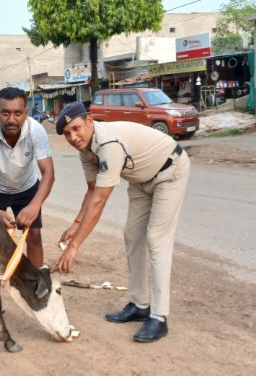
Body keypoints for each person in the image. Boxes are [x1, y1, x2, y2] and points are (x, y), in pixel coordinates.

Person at [53, 101, 190, 344]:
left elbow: (99, 202)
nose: (73, 137)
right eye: (67, 134)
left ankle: (159, 317)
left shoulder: (108, 144)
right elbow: (92, 190)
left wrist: (74, 246)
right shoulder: (86, 150)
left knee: (156, 240)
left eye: (76, 128)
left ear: (89, 122)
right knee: (132, 236)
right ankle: (140, 304)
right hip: (141, 179)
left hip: (170, 171)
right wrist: (75, 223)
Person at [0, 86, 55, 326]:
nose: (11, 119)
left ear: (26, 113)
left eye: (17, 113)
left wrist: (34, 206)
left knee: (35, 236)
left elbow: (48, 173)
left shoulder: (36, 131)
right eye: (5, 112)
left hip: (27, 187)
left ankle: (39, 290)